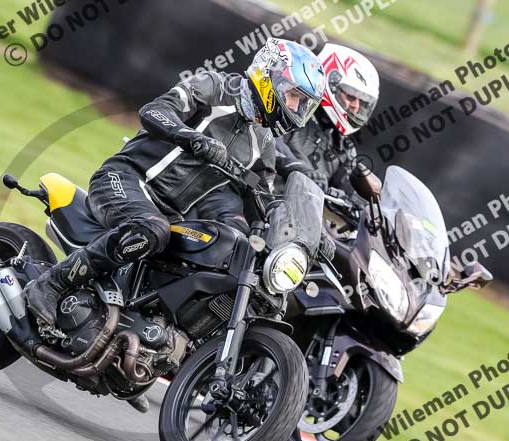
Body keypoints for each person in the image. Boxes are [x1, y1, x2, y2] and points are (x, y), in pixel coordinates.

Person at [25, 38, 326, 331]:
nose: (296, 107)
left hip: (172, 215)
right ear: (270, 76)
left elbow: (261, 196)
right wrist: (192, 138)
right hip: (125, 178)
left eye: (303, 104)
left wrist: (305, 231)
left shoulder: (264, 144)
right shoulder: (216, 87)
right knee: (151, 229)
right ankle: (52, 283)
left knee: (223, 253)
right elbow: (154, 111)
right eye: (294, 96)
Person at [277, 43, 379, 199]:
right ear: (331, 83)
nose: (356, 106)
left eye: (363, 102)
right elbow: (268, 141)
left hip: (300, 210)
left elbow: (348, 187)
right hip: (263, 198)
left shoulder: (343, 147)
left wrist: (364, 202)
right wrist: (299, 170)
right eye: (351, 96)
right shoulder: (293, 109)